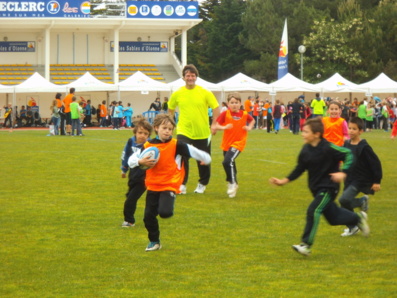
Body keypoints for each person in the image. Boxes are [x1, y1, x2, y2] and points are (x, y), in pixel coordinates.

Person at [269, 117, 369, 256]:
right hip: (316, 189)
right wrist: (283, 181)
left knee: (313, 210)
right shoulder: (306, 150)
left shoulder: (328, 147)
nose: (303, 134)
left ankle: (306, 245)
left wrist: (343, 172)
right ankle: (357, 218)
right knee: (333, 219)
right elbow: (299, 168)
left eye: (306, 131)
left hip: (329, 188)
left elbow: (348, 154)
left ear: (316, 134)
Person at [128, 114, 211, 251]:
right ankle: (154, 241)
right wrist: (140, 161)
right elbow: (132, 160)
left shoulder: (176, 144)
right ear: (156, 128)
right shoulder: (148, 146)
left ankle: (167, 205)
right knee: (148, 217)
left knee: (165, 212)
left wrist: (205, 158)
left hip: (169, 184)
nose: (168, 131)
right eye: (164, 128)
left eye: (170, 129)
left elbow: (194, 151)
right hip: (153, 185)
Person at [168, 64, 219, 194]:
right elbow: (171, 110)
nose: (190, 78)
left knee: (203, 159)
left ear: (196, 77)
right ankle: (182, 184)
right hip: (184, 130)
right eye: (188, 75)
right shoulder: (177, 93)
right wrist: (170, 125)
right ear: (183, 77)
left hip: (202, 132)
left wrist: (214, 124)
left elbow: (215, 107)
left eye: (192, 75)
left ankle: (202, 183)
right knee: (181, 156)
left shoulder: (205, 92)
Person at [339, 117, 382, 236]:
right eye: (350, 128)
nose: (351, 131)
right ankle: (352, 227)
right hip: (349, 178)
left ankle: (362, 201)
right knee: (344, 204)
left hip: (360, 179)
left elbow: (375, 163)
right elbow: (343, 156)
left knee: (343, 199)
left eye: (354, 129)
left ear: (360, 131)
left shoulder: (364, 147)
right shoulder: (346, 143)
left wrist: (376, 181)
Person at [215, 93, 255, 198]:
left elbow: (252, 120)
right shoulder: (225, 114)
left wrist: (249, 127)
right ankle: (233, 182)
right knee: (229, 163)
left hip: (239, 143)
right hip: (227, 144)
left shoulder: (245, 114)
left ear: (240, 103)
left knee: (227, 161)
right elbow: (217, 125)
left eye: (236, 103)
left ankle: (232, 183)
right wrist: (224, 128)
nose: (234, 105)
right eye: (232, 102)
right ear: (228, 104)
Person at [121, 119, 153, 227]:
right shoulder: (131, 141)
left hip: (144, 177)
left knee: (131, 199)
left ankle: (129, 221)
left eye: (146, 134)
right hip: (133, 174)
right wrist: (124, 169)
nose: (142, 136)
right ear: (135, 132)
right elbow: (126, 155)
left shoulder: (150, 145)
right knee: (130, 196)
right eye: (140, 133)